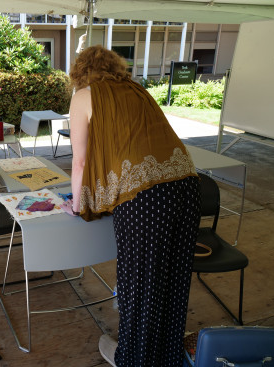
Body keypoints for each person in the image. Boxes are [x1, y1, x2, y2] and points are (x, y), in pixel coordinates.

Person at [61, 45, 201, 366]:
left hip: (147, 198)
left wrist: (79, 204)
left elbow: (80, 160)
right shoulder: (137, 89)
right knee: (174, 281)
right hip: (188, 187)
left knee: (140, 287)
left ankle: (133, 359)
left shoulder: (84, 95)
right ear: (115, 66)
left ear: (80, 72)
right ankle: (165, 357)